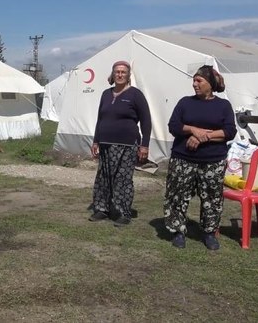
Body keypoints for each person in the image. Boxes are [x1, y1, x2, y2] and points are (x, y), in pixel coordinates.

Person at [164, 65, 236, 250]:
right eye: (194, 80)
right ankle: (178, 231)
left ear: (210, 84)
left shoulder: (223, 106)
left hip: (213, 160)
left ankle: (209, 232)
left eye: (199, 80)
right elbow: (173, 126)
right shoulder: (185, 103)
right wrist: (192, 130)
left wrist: (203, 137)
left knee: (212, 198)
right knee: (178, 195)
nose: (194, 84)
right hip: (183, 158)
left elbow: (229, 131)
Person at [90, 60, 152, 226]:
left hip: (127, 145)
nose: (119, 74)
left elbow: (146, 120)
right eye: (117, 71)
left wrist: (144, 144)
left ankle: (123, 212)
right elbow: (100, 119)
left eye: (123, 72)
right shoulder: (105, 94)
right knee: (103, 177)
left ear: (128, 75)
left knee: (123, 179)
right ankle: (102, 209)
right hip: (105, 144)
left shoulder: (135, 95)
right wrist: (96, 140)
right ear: (113, 74)